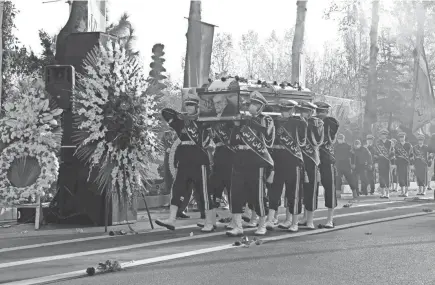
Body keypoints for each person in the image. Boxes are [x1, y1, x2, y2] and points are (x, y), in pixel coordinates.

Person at [155, 94, 212, 231]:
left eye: (192, 105)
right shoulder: (181, 121)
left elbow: (206, 140)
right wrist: (181, 115)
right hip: (184, 160)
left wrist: (195, 118)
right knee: (177, 189)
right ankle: (172, 219)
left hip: (199, 161)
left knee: (203, 192)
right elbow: (165, 112)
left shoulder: (203, 121)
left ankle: (208, 221)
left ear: (197, 107)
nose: (189, 107)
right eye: (187, 105)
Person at [226, 91, 275, 237]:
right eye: (250, 103)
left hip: (257, 160)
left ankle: (262, 224)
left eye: (255, 104)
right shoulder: (242, 120)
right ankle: (238, 225)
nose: (251, 106)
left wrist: (249, 122)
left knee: (258, 194)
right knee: (236, 192)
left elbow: (268, 139)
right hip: (240, 158)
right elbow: (232, 141)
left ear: (261, 106)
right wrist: (236, 125)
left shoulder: (266, 120)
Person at [266, 99, 307, 232]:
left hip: (293, 161)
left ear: (292, 111)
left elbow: (301, 142)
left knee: (293, 193)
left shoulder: (298, 123)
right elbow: (269, 141)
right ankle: (270, 219)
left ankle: (294, 222)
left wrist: (303, 124)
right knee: (274, 191)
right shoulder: (275, 121)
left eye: (286, 110)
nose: (284, 113)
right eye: (282, 110)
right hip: (277, 160)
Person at [198, 121, 235, 231]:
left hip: (231, 160)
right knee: (213, 191)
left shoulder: (231, 122)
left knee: (231, 191)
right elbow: (207, 144)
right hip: (218, 161)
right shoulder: (212, 123)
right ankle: (211, 221)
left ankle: (234, 220)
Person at [297, 101, 324, 230]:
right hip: (299, 158)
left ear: (311, 112)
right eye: (302, 110)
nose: (304, 113)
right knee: (300, 190)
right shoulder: (298, 122)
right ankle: (303, 217)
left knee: (311, 191)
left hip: (311, 160)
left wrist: (310, 125)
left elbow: (317, 141)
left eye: (307, 111)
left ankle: (310, 220)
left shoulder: (317, 123)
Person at [314, 102, 339, 228]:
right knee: (310, 189)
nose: (319, 114)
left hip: (326, 159)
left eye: (321, 112)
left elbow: (332, 131)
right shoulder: (311, 122)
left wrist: (321, 121)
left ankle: (330, 219)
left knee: (329, 188)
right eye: (318, 111)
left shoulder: (330, 122)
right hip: (313, 158)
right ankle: (306, 217)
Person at [374, 129, 395, 199]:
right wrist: (376, 162)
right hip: (380, 161)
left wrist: (393, 163)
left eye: (385, 134)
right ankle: (382, 193)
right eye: (382, 134)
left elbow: (392, 153)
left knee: (387, 177)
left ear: (386, 135)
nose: (383, 135)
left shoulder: (390, 143)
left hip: (387, 161)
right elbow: (376, 153)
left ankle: (387, 193)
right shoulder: (378, 143)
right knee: (381, 177)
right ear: (380, 135)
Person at [334, 134, 356, 198]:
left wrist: (353, 163)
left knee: (350, 179)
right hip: (338, 165)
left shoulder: (348, 146)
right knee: (338, 179)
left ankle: (354, 192)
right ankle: (338, 194)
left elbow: (353, 155)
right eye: (338, 139)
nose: (339, 140)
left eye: (341, 139)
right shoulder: (335, 146)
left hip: (346, 165)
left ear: (344, 139)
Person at [395, 132, 413, 197]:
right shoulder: (397, 145)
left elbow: (411, 155)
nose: (401, 138)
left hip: (406, 163)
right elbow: (395, 154)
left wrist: (411, 164)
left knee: (406, 177)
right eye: (400, 137)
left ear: (405, 137)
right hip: (399, 163)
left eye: (402, 137)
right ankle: (402, 192)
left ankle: (406, 192)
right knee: (400, 177)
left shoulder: (408, 145)